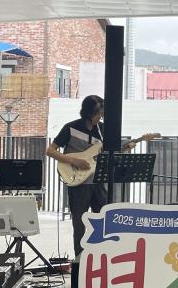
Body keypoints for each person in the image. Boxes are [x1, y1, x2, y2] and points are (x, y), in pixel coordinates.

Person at [45, 95, 136, 256]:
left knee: (104, 219)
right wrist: (73, 160)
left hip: (97, 181)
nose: (100, 116)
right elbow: (50, 151)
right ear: (88, 112)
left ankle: (103, 256)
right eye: (97, 113)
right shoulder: (71, 128)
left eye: (101, 113)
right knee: (79, 224)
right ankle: (80, 259)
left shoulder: (102, 129)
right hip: (78, 183)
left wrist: (125, 147)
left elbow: (108, 152)